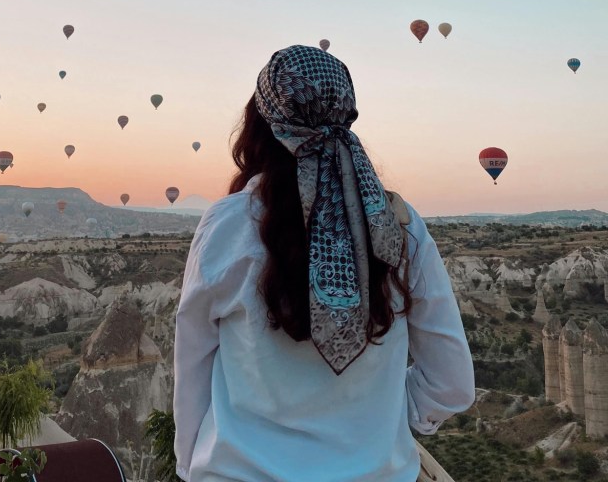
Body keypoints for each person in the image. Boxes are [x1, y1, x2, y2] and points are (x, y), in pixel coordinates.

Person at [174, 45, 475, 482]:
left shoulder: (228, 225)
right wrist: (383, 420)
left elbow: (192, 372)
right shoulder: (399, 227)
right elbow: (452, 384)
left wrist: (189, 466)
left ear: (261, 126)